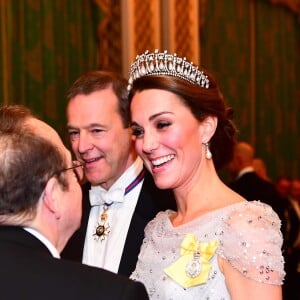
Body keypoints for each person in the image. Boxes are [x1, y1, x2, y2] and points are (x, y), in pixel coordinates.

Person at [127, 50, 285, 299]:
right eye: (138, 130)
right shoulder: (158, 228)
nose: (146, 144)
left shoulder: (244, 224)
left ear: (207, 127)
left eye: (162, 124)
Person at [0, 105, 149, 300]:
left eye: (96, 130)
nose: (80, 174)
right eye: (71, 168)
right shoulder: (112, 294)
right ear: (52, 195)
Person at [61, 70, 176, 276]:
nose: (82, 146)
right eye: (74, 133)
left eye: (97, 130)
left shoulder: (171, 206)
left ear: (132, 130)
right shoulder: (64, 209)